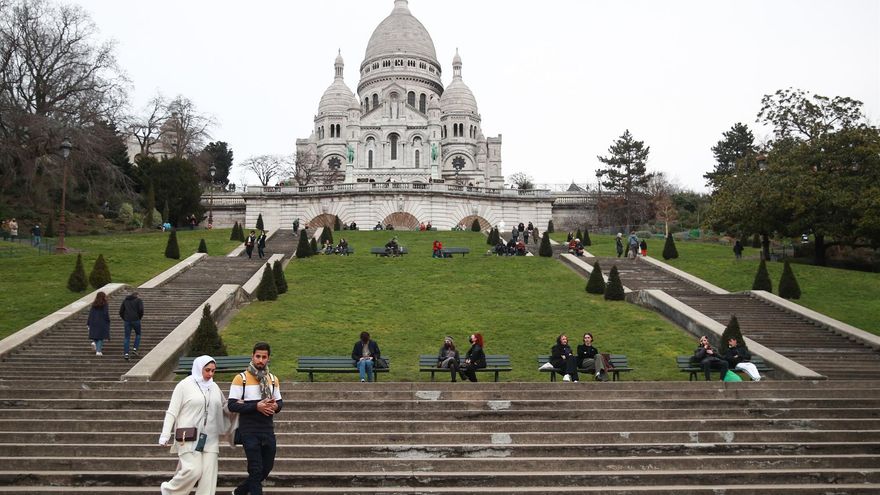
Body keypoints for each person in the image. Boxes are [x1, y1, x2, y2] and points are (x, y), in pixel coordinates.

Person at [159, 356, 229, 495]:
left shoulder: (214, 387)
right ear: (198, 368)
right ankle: (169, 490)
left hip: (210, 437)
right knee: (193, 470)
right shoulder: (184, 385)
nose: (210, 374)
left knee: (209, 476)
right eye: (207, 370)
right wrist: (165, 434)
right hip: (187, 435)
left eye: (213, 371)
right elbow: (172, 412)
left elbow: (225, 406)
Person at [229, 342, 283, 495]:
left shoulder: (273, 379)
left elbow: (280, 402)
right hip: (249, 430)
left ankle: (239, 492)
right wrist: (256, 406)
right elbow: (232, 405)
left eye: (264, 357)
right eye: (258, 356)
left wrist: (275, 407)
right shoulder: (241, 378)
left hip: (267, 429)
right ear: (252, 357)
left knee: (266, 468)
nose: (260, 360)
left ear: (268, 358)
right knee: (256, 468)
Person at [119, 291, 144, 361]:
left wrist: (124, 318)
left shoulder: (125, 301)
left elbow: (121, 311)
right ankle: (135, 349)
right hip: (136, 320)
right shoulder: (139, 300)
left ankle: (126, 353)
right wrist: (139, 317)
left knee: (127, 337)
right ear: (137, 295)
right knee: (138, 334)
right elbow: (141, 310)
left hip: (127, 320)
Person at [87, 291, 110, 357]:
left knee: (95, 336)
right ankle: (98, 351)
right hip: (101, 322)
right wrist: (108, 321)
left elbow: (90, 314)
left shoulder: (94, 304)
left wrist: (88, 323)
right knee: (100, 337)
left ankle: (95, 344)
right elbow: (106, 314)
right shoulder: (105, 304)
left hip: (93, 322)